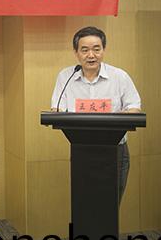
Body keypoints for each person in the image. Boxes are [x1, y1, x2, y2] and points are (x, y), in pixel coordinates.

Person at [50, 26, 141, 202]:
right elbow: (57, 109)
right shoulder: (66, 77)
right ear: (76, 52)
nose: (91, 55)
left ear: (103, 50)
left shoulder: (119, 76)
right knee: (84, 202)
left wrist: (125, 115)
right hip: (81, 150)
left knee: (111, 204)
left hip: (115, 150)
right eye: (84, 50)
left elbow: (134, 107)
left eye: (96, 49)